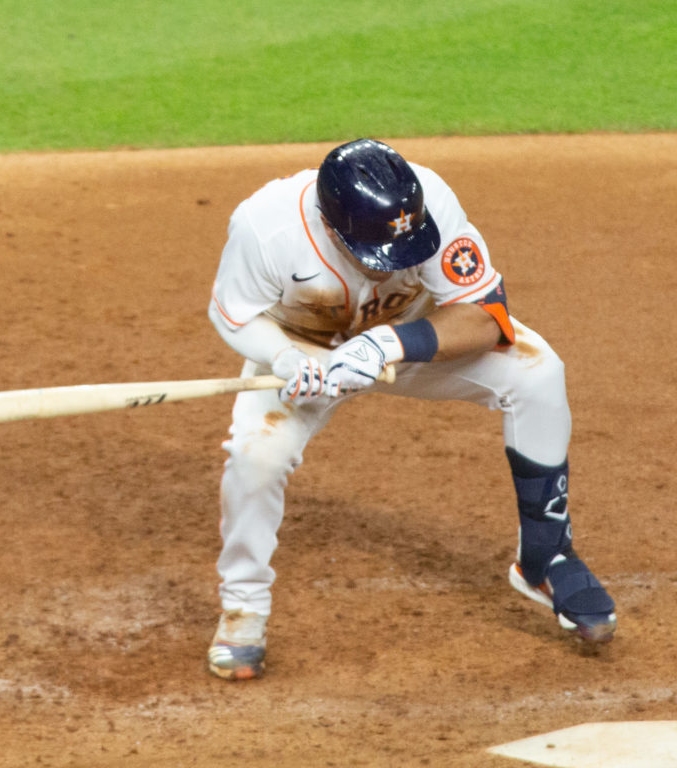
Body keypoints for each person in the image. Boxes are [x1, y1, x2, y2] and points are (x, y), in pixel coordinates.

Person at [205, 138, 616, 680]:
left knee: (539, 372)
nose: (386, 267)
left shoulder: (429, 204)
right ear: (331, 227)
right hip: (305, 356)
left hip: (409, 343)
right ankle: (243, 609)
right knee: (256, 458)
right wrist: (285, 357)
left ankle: (546, 559)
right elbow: (234, 316)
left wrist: (388, 345)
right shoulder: (266, 227)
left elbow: (488, 315)